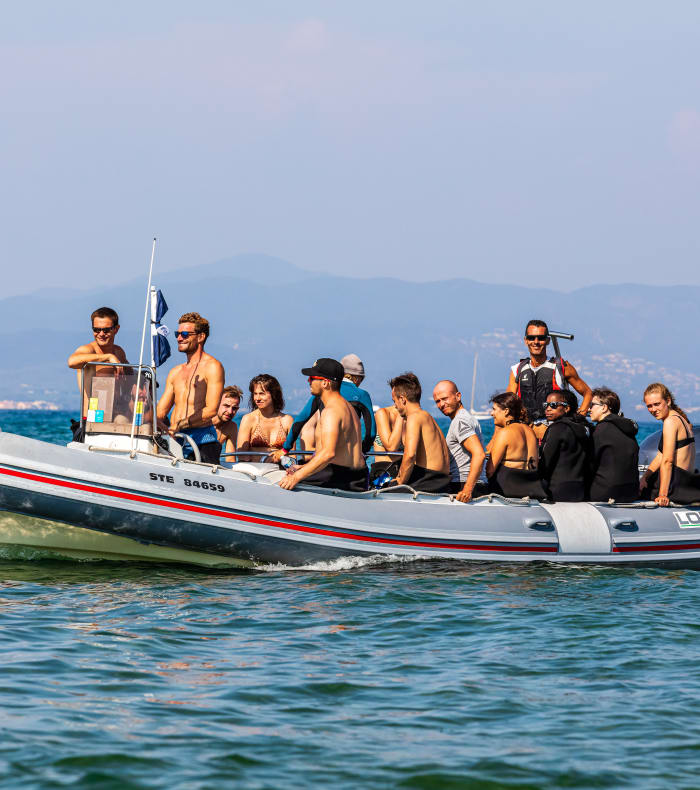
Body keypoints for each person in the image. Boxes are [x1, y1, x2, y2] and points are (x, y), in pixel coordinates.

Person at [279, 358, 367, 492]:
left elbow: (328, 453)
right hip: (358, 476)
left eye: (312, 378)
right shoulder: (346, 407)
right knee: (296, 470)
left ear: (325, 383)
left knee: (281, 480)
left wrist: (296, 477)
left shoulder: (331, 411)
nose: (308, 381)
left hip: (341, 478)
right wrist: (303, 468)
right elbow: (339, 454)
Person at [276, 352, 376, 459]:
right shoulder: (362, 395)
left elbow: (300, 421)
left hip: (324, 456)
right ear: (357, 378)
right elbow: (371, 432)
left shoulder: (324, 392)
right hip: (350, 457)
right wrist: (363, 451)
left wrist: (285, 448)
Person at [156, 312, 225, 464]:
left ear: (201, 337)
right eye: (177, 334)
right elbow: (161, 411)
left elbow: (211, 410)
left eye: (185, 334)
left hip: (202, 442)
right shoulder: (175, 371)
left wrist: (179, 425)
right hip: (176, 441)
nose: (179, 338)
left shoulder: (213, 367)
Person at [508, 319, 592, 440]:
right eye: (531, 338)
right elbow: (507, 403)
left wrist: (579, 418)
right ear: (526, 340)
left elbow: (587, 393)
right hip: (525, 434)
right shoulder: (517, 370)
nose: (536, 342)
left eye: (540, 338)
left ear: (547, 340)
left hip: (554, 434)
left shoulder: (561, 367)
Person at [386, 372, 450, 493]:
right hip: (442, 481)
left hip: (429, 482)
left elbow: (410, 455)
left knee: (382, 490)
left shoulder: (414, 417)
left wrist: (399, 482)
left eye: (394, 401)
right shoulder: (428, 417)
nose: (395, 406)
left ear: (402, 399)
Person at [639, 383, 700, 506]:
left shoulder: (670, 422)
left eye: (657, 404)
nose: (653, 409)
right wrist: (644, 477)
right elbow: (661, 456)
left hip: (675, 485)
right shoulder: (681, 420)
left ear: (668, 401)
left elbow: (667, 460)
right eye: (649, 406)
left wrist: (662, 495)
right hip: (685, 483)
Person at [485, 392, 546, 500]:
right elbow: (535, 464)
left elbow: (490, 470)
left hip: (507, 489)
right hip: (530, 488)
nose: (492, 413)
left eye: (494, 409)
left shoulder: (505, 432)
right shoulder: (530, 431)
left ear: (506, 411)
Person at [432, 379, 486, 501]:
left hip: (464, 485)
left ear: (458, 396)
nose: (441, 404)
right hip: (472, 484)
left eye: (445, 398)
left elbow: (479, 454)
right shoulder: (466, 417)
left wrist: (467, 489)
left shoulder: (460, 421)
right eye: (437, 401)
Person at [587, 388, 639, 502]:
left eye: (592, 405)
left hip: (606, 493)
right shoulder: (628, 430)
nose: (589, 409)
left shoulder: (600, 430)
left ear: (604, 407)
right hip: (631, 493)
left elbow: (589, 464)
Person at [538, 389, 590, 502]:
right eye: (546, 405)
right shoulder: (585, 428)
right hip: (581, 489)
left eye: (553, 405)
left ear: (566, 408)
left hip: (557, 491)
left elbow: (545, 462)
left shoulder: (557, 428)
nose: (548, 408)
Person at [237, 375, 293, 462]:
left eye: (262, 394)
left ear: (274, 394)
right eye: (255, 394)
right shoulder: (248, 419)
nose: (257, 398)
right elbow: (242, 455)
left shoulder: (287, 420)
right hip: (255, 471)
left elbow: (293, 455)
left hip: (280, 470)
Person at [369, 404, 404, 483]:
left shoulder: (412, 416)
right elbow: (391, 448)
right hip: (382, 470)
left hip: (401, 469)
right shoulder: (383, 413)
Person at [213, 385, 243, 461]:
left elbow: (230, 459)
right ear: (216, 403)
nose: (230, 412)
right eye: (226, 406)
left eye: (234, 408)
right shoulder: (203, 421)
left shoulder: (231, 427)